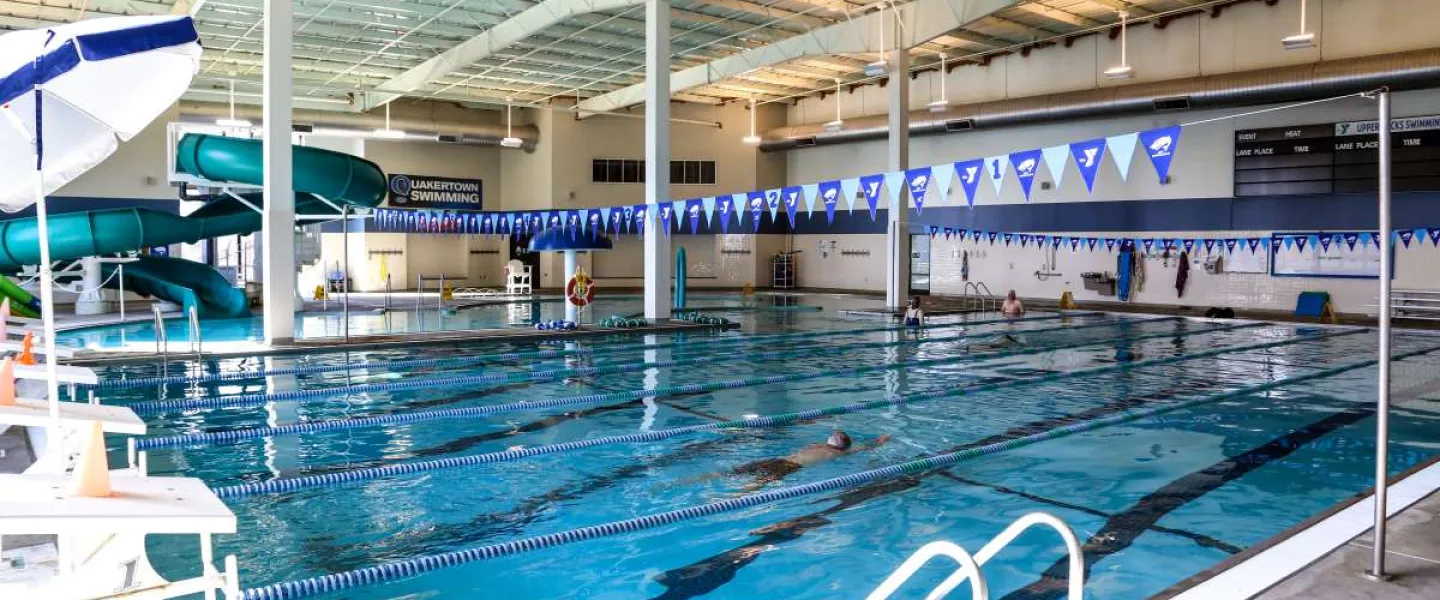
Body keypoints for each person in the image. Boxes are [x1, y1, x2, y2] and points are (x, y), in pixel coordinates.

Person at [721, 431, 891, 491]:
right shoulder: (832, 450)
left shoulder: (829, 449)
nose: (834, 435)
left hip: (786, 462)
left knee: (748, 476)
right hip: (785, 463)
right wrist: (880, 441)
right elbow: (867, 447)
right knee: (751, 477)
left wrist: (880, 441)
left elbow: (867, 447)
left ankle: (734, 493)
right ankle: (734, 494)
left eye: (837, 436)